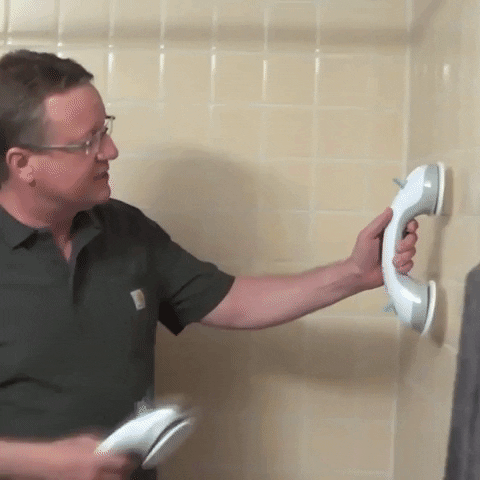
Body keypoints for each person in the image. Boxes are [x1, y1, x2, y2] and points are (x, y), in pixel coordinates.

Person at [0, 50, 418, 480]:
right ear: (23, 164)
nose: (111, 150)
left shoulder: (126, 230)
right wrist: (45, 463)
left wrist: (354, 274)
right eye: (87, 142)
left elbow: (231, 301)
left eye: (104, 130)